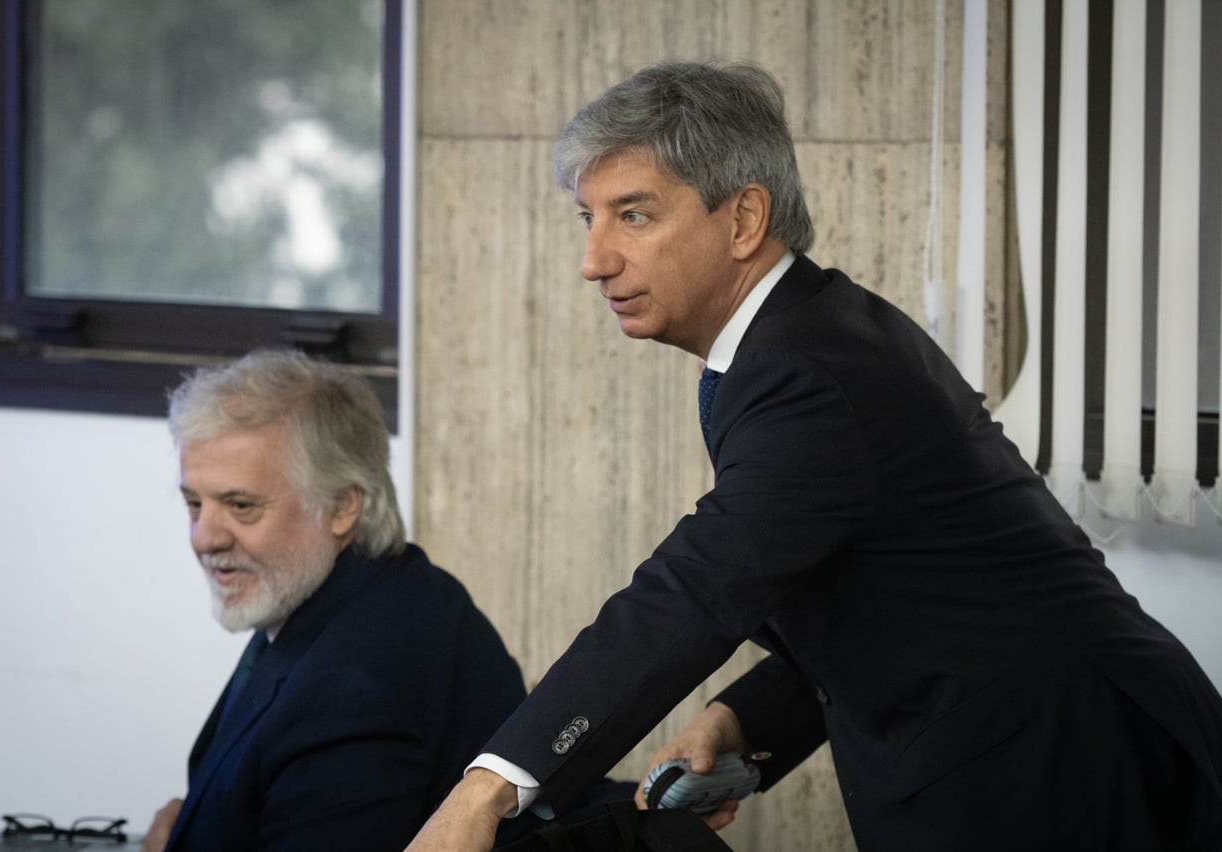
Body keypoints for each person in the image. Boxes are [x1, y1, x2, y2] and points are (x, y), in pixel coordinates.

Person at [406, 61, 1222, 851]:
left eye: (635, 215)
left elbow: (690, 592)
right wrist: (745, 718)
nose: (595, 261)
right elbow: (896, 591)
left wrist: (490, 786)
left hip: (1073, 770)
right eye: (589, 219)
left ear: (743, 220)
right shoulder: (806, 334)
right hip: (1052, 742)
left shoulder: (805, 372)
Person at [142, 349, 528, 852]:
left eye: (241, 506)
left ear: (343, 506)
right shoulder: (386, 585)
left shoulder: (351, 692)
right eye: (195, 503)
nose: (204, 537)